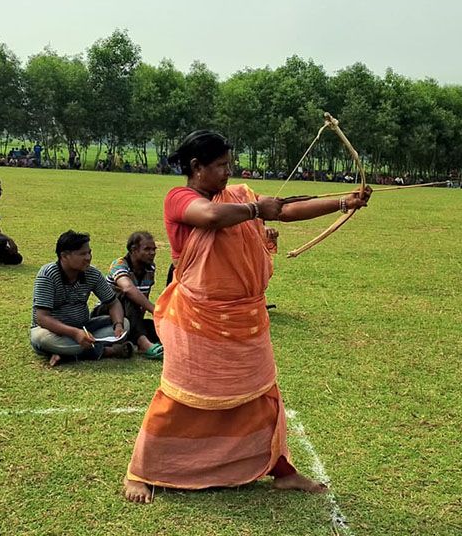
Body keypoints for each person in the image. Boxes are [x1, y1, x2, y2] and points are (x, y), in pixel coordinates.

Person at [123, 130, 372, 504]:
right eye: (221, 165)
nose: (227, 172)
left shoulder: (238, 195)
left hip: (246, 317)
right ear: (197, 168)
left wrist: (343, 202)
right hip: (197, 319)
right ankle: (143, 471)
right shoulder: (180, 198)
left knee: (261, 395)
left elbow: (285, 209)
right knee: (179, 396)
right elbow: (209, 217)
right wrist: (258, 209)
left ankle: (282, 471)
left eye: (228, 164)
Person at [30, 230, 131, 367]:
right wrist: (74, 333)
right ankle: (106, 351)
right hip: (53, 332)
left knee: (125, 323)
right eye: (82, 254)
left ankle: (66, 354)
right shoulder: (48, 275)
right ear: (64, 256)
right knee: (41, 339)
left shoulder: (91, 274)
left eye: (89, 252)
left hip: (84, 328)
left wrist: (117, 325)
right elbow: (42, 318)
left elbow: (113, 303)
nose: (88, 257)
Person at [93, 232, 163, 360]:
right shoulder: (119, 265)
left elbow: (144, 298)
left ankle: (137, 338)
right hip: (107, 313)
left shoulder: (150, 268)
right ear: (133, 250)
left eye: (154, 249)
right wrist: (155, 310)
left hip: (131, 316)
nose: (152, 253)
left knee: (156, 329)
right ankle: (143, 344)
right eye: (147, 249)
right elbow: (127, 288)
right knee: (127, 295)